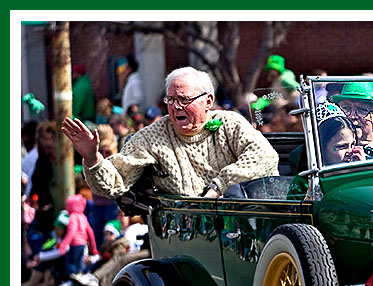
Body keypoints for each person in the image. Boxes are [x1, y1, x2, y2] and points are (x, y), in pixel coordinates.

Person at [62, 67, 278, 199]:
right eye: (171, 100)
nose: (175, 107)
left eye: (184, 99)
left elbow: (265, 157)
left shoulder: (229, 123)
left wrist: (219, 186)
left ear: (208, 102)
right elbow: (114, 183)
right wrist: (92, 158)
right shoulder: (151, 137)